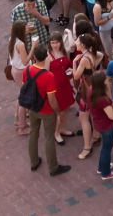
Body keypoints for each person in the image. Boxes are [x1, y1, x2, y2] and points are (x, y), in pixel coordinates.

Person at [24, 44, 71, 177]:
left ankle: (34, 162)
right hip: (46, 110)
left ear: (34, 57)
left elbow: (24, 87)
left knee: (33, 133)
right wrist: (57, 112)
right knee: (49, 137)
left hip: (33, 107)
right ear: (46, 57)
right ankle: (53, 167)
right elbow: (52, 99)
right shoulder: (48, 76)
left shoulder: (27, 70)